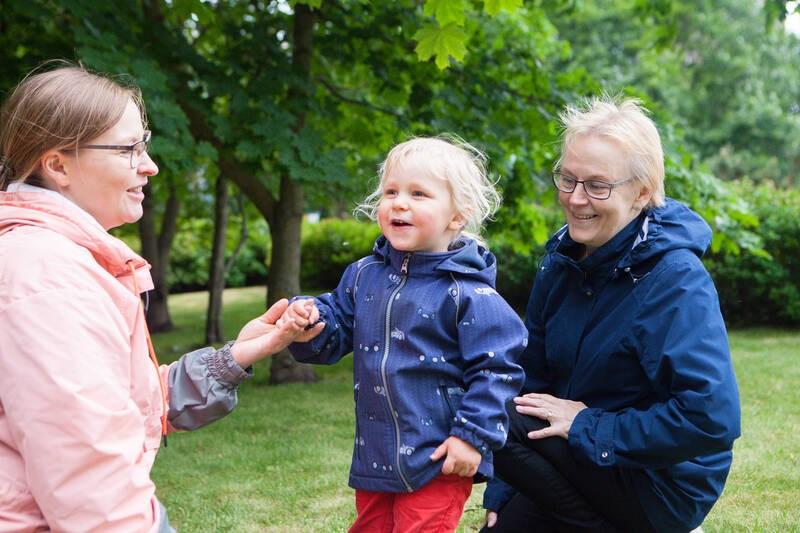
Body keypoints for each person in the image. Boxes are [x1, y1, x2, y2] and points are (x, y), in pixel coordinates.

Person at [0, 63, 307, 532]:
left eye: (143, 144)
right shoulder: (45, 275)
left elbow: (117, 399)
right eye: (127, 149)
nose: (149, 164)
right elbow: (89, 477)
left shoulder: (54, 262)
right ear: (58, 164)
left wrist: (237, 357)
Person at [481, 97, 741, 533]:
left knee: (496, 413)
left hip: (660, 482)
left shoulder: (675, 279)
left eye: (597, 186)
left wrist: (588, 423)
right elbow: (532, 382)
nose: (576, 199)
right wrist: (504, 490)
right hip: (580, 460)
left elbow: (710, 419)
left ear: (642, 192)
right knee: (489, 403)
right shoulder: (561, 260)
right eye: (568, 178)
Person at [280, 137, 527, 532]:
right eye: (391, 192)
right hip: (376, 456)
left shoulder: (469, 293)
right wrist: (310, 321)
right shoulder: (363, 275)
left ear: (456, 216)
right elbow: (337, 328)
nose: (399, 202)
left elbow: (497, 372)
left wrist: (471, 437)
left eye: (419, 194)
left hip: (438, 457)